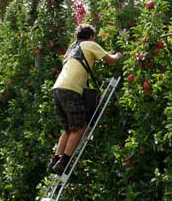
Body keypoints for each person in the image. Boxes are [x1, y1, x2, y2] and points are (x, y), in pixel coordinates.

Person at [49, 24, 122, 174]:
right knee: (79, 127)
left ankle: (55, 160)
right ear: (91, 36)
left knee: (69, 129)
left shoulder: (71, 49)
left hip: (57, 89)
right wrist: (119, 55)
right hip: (71, 89)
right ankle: (64, 162)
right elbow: (111, 60)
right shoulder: (89, 44)